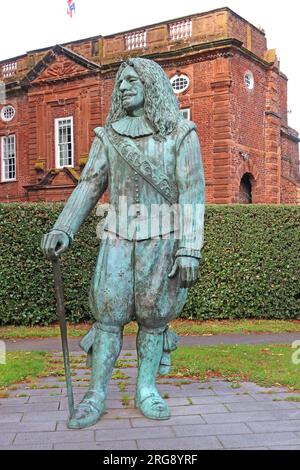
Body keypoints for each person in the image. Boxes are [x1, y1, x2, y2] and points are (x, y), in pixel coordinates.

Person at [41, 57, 205, 429]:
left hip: (162, 243)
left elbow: (193, 193)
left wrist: (190, 248)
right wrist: (63, 228)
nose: (123, 87)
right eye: (120, 82)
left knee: (152, 319)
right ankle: (96, 393)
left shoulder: (181, 134)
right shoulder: (108, 136)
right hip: (116, 238)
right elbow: (88, 185)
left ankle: (146, 388)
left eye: (132, 80)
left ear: (152, 86)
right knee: (108, 316)